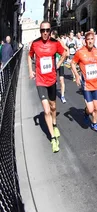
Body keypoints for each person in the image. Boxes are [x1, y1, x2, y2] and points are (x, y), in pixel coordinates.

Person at [28, 21, 68, 153]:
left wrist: (58, 64)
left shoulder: (55, 43)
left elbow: (65, 53)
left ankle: (54, 124)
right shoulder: (35, 43)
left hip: (51, 80)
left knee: (53, 107)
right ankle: (53, 138)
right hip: (40, 81)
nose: (45, 32)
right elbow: (29, 56)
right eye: (42, 30)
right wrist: (30, 70)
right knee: (46, 111)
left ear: (50, 31)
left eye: (47, 30)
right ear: (40, 31)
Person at [71, 31, 97, 133]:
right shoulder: (80, 52)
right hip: (86, 85)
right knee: (91, 109)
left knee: (96, 108)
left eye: (92, 39)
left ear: (94, 40)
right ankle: (86, 112)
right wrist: (77, 75)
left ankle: (94, 124)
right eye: (88, 39)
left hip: (96, 84)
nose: (90, 41)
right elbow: (72, 63)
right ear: (85, 41)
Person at [50, 31, 68, 104]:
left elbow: (66, 49)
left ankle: (62, 96)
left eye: (51, 35)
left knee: (61, 80)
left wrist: (66, 56)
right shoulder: (49, 42)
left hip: (60, 63)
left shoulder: (59, 42)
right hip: (53, 63)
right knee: (53, 81)